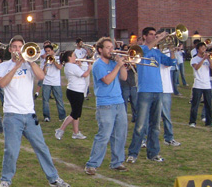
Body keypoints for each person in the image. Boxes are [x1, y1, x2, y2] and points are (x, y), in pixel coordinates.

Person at [0, 36, 69, 187]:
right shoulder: (3, 66)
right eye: (14, 47)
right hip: (12, 115)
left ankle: (53, 178)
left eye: (20, 47)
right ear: (10, 50)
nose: (17, 50)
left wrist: (29, 61)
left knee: (41, 147)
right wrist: (16, 66)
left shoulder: (30, 64)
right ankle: (5, 180)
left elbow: (41, 77)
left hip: (30, 114)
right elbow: (2, 84)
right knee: (11, 150)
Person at [126, 27, 177, 164]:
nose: (154, 37)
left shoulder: (157, 52)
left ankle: (153, 153)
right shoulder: (140, 50)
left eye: (155, 35)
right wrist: (160, 38)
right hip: (145, 91)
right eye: (152, 35)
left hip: (158, 90)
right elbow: (146, 50)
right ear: (144, 36)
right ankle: (133, 153)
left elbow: (171, 63)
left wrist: (172, 50)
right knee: (141, 125)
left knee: (155, 125)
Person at [84, 38, 128, 175]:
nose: (111, 50)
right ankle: (92, 164)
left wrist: (122, 65)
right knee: (104, 135)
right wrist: (117, 66)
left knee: (120, 134)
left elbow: (124, 78)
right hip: (105, 105)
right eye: (108, 47)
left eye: (112, 47)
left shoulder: (114, 62)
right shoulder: (98, 65)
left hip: (119, 102)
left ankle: (117, 162)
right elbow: (107, 80)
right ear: (100, 50)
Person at [55, 50, 90, 140]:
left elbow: (78, 74)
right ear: (69, 57)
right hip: (76, 91)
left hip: (75, 91)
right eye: (74, 55)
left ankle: (76, 132)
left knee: (76, 113)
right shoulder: (71, 66)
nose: (75, 57)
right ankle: (60, 129)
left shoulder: (70, 66)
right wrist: (90, 67)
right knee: (74, 113)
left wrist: (79, 66)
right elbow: (85, 74)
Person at [188, 41, 212, 128]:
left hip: (207, 85)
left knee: (208, 104)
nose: (204, 49)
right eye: (202, 48)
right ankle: (192, 121)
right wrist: (203, 59)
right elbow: (196, 67)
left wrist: (209, 59)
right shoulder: (194, 59)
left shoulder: (208, 59)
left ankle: (209, 122)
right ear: (198, 49)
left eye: (205, 48)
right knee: (195, 104)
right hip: (198, 84)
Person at [159, 47, 181, 146]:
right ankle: (144, 139)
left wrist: (172, 51)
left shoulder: (166, 52)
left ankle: (169, 138)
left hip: (166, 88)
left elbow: (172, 63)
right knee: (149, 116)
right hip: (154, 88)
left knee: (166, 116)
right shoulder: (151, 50)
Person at [40, 43, 66, 123]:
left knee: (59, 100)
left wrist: (53, 60)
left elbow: (59, 67)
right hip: (46, 82)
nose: (47, 53)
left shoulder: (58, 58)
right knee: (45, 100)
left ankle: (62, 117)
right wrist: (45, 65)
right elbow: (43, 73)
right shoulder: (44, 60)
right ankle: (46, 116)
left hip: (56, 82)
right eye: (46, 51)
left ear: (52, 51)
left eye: (49, 51)